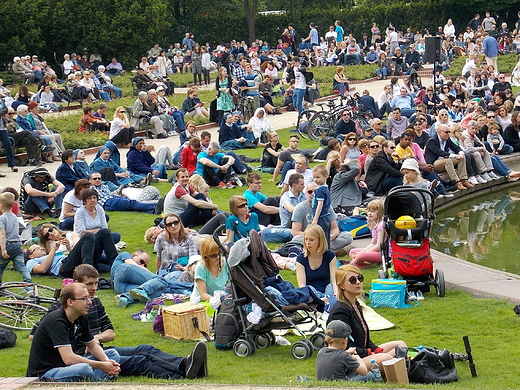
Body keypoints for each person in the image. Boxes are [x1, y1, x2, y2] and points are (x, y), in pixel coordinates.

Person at [33, 264, 206, 379]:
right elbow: (39, 338)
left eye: (95, 284)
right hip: (72, 361)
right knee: (139, 361)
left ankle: (186, 364)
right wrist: (100, 362)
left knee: (142, 350)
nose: (92, 292)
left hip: (93, 353)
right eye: (88, 286)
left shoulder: (86, 309)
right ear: (74, 292)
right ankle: (185, 373)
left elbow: (108, 334)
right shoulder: (57, 314)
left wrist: (100, 345)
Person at [27, 283, 121, 382]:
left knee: (112, 354)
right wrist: (102, 366)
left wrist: (107, 362)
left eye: (88, 298)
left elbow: (92, 346)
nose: (89, 302)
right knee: (84, 369)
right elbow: (69, 359)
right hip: (45, 373)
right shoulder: (56, 321)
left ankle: (95, 382)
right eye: (84, 298)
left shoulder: (80, 316)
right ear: (70, 302)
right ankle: (96, 381)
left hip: (66, 368)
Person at [328, 264, 407, 369]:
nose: (358, 282)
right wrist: (369, 353)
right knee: (386, 358)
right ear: (341, 285)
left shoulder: (355, 305)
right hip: (349, 360)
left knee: (400, 345)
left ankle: (399, 370)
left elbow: (365, 339)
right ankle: (396, 372)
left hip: (362, 353)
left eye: (359, 278)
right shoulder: (340, 311)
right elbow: (345, 346)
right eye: (352, 280)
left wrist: (375, 350)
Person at [424, 124, 471, 191]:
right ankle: (456, 182)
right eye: (446, 132)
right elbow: (440, 152)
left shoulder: (447, 139)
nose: (448, 134)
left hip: (444, 161)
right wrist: (455, 155)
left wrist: (461, 153)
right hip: (434, 163)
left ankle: (463, 180)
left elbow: (456, 147)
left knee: (461, 158)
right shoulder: (432, 141)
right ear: (439, 132)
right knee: (448, 160)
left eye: (449, 132)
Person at [296, 225, 337, 298]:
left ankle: (327, 299)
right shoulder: (301, 259)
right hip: (311, 292)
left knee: (331, 287)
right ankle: (324, 300)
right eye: (306, 239)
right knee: (308, 289)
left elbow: (335, 281)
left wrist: (336, 293)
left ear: (320, 240)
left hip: (327, 290)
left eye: (311, 240)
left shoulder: (330, 256)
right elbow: (302, 285)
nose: (308, 243)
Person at [191, 236, 229, 316]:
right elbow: (203, 294)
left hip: (220, 298)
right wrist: (218, 300)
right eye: (213, 256)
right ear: (206, 257)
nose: (218, 257)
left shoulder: (225, 263)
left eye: (219, 253)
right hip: (202, 302)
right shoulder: (201, 267)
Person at [0, 192, 31, 283]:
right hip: (17, 245)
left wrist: (3, 249)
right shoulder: (14, 217)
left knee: (1, 266)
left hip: (8, 245)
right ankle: (28, 284)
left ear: (1, 206)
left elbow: (2, 234)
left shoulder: (2, 218)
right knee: (22, 267)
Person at [89, 173, 157, 214]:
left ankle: (152, 211)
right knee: (131, 203)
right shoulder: (90, 189)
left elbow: (110, 194)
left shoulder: (104, 186)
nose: (97, 180)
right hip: (107, 202)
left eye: (99, 178)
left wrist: (119, 195)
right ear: (90, 180)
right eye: (95, 179)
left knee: (131, 206)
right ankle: (154, 206)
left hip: (113, 198)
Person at [311, 165, 331, 246]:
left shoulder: (320, 190)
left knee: (322, 238)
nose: (315, 180)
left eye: (318, 177)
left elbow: (320, 205)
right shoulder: (325, 188)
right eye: (314, 177)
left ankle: (324, 254)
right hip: (325, 216)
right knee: (325, 237)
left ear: (325, 176)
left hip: (321, 217)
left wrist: (315, 219)